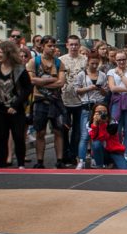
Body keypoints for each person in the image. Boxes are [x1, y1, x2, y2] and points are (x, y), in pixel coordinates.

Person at [0, 41, 32, 168]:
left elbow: (27, 88)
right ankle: (1, 163)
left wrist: (15, 105)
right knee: (1, 137)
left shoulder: (19, 69)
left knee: (18, 136)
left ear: (9, 53)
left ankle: (21, 163)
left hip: (16, 109)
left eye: (1, 52)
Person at [26, 36, 67, 168]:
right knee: (40, 132)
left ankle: (60, 160)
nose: (52, 48)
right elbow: (31, 80)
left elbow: (61, 82)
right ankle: (39, 161)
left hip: (55, 101)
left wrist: (42, 82)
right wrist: (51, 81)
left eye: (53, 45)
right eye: (49, 45)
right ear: (42, 46)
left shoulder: (59, 63)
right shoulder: (34, 62)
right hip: (40, 100)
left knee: (58, 131)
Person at [73, 52, 108, 169]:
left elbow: (106, 92)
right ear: (88, 62)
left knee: (97, 135)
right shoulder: (82, 75)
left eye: (96, 63)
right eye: (92, 63)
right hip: (86, 107)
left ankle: (95, 158)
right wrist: (89, 88)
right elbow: (76, 90)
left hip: (98, 107)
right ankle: (81, 160)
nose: (94, 65)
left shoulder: (102, 75)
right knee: (85, 136)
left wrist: (101, 89)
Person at [60, 35, 87, 166]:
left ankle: (73, 155)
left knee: (77, 130)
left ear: (79, 45)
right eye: (71, 44)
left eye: (76, 44)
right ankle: (64, 155)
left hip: (80, 101)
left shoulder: (85, 60)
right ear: (67, 45)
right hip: (64, 99)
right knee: (64, 128)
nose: (74, 47)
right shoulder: (60, 60)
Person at [87, 103, 127, 169]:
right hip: (101, 152)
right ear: (94, 113)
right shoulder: (89, 124)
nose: (102, 114)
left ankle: (112, 163)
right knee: (96, 144)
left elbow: (105, 137)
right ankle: (99, 167)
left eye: (104, 112)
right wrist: (95, 124)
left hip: (114, 152)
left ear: (108, 112)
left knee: (125, 169)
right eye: (99, 112)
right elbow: (95, 138)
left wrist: (103, 123)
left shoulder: (113, 122)